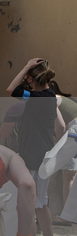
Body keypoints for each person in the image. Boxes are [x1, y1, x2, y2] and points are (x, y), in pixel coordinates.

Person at [6, 58, 65, 236]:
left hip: (34, 157)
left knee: (28, 206)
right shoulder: (49, 97)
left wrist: (24, 66)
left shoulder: (35, 97)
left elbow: (11, 89)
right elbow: (62, 125)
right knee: (41, 204)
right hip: (44, 155)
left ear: (31, 79)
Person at [49, 80, 77, 225]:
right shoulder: (64, 99)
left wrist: (58, 144)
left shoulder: (51, 99)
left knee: (68, 175)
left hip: (74, 131)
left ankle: (68, 216)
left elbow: (60, 126)